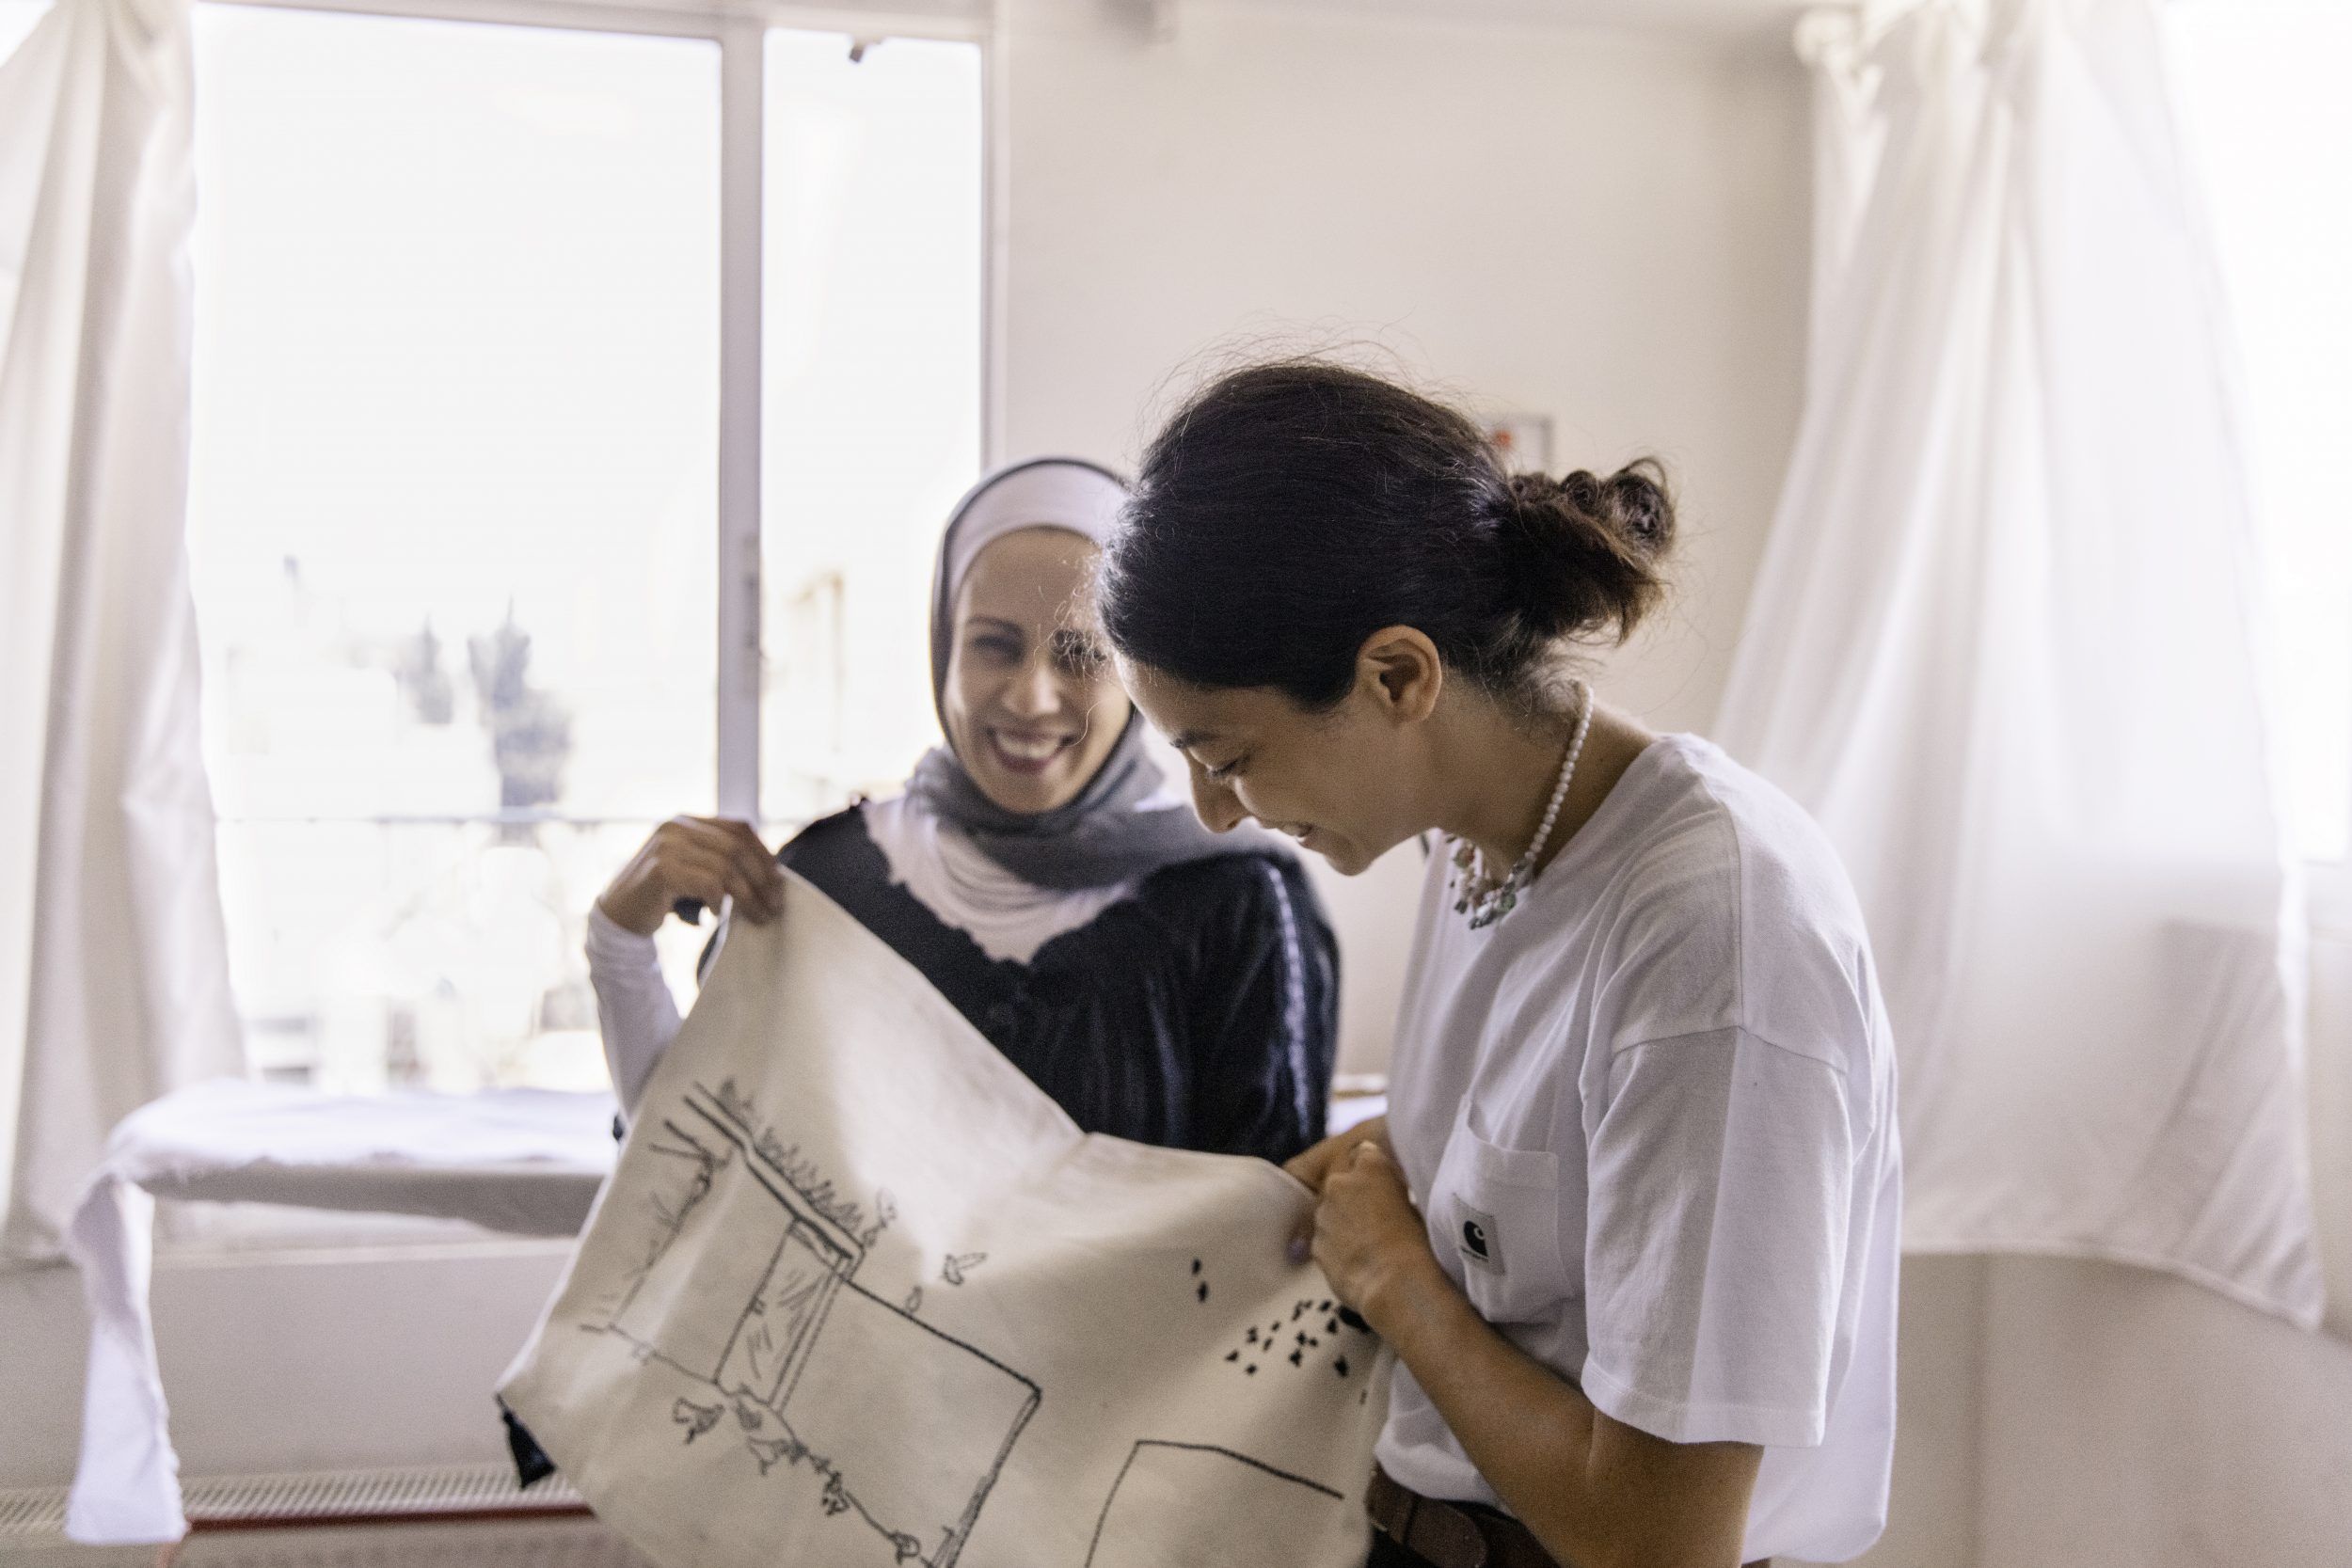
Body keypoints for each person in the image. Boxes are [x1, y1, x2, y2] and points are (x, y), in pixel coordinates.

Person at [1095, 363, 1900, 1568]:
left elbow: (1658, 1542)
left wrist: (1395, 1278)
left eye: (1228, 753)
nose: (1214, 811)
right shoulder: (1479, 840)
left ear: (1399, 677)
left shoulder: (1709, 943)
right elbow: (1500, 1178)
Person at [586, 457, 1339, 1164]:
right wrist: (619, 945)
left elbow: (1269, 1248)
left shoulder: (1239, 909)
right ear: (943, 647)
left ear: (1142, 679)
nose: (1029, 698)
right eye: (994, 645)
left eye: (1080, 654)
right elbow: (686, 1172)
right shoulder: (830, 878)